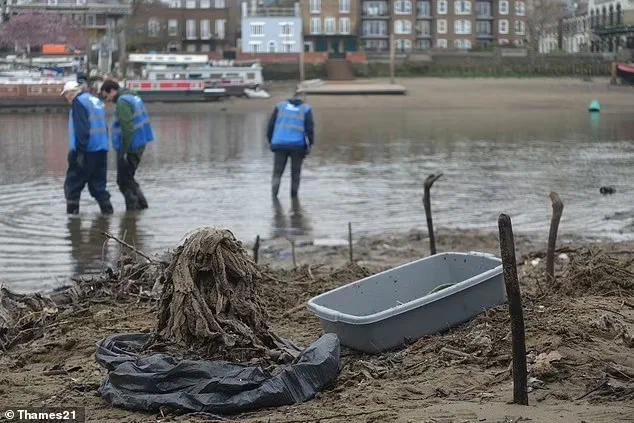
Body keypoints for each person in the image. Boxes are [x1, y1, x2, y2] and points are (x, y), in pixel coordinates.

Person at [100, 79, 154, 210]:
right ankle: (142, 207)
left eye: (106, 96)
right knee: (129, 178)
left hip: (130, 147)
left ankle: (132, 212)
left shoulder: (122, 102)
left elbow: (127, 128)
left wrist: (123, 152)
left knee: (124, 181)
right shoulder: (133, 97)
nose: (107, 100)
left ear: (112, 91)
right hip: (140, 143)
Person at [60, 81, 113, 215]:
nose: (67, 98)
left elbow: (82, 129)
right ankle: (107, 216)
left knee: (73, 186)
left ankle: (72, 222)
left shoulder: (78, 102)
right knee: (98, 187)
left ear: (71, 92)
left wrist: (79, 153)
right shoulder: (94, 100)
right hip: (101, 149)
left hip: (87, 151)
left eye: (66, 94)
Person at [267, 95, 314, 199]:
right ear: (302, 100)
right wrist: (310, 145)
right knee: (295, 174)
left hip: (279, 144)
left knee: (277, 172)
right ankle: (294, 198)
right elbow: (309, 129)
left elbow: (271, 125)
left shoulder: (280, 106)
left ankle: (274, 197)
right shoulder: (306, 109)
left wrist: (271, 141)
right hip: (298, 146)